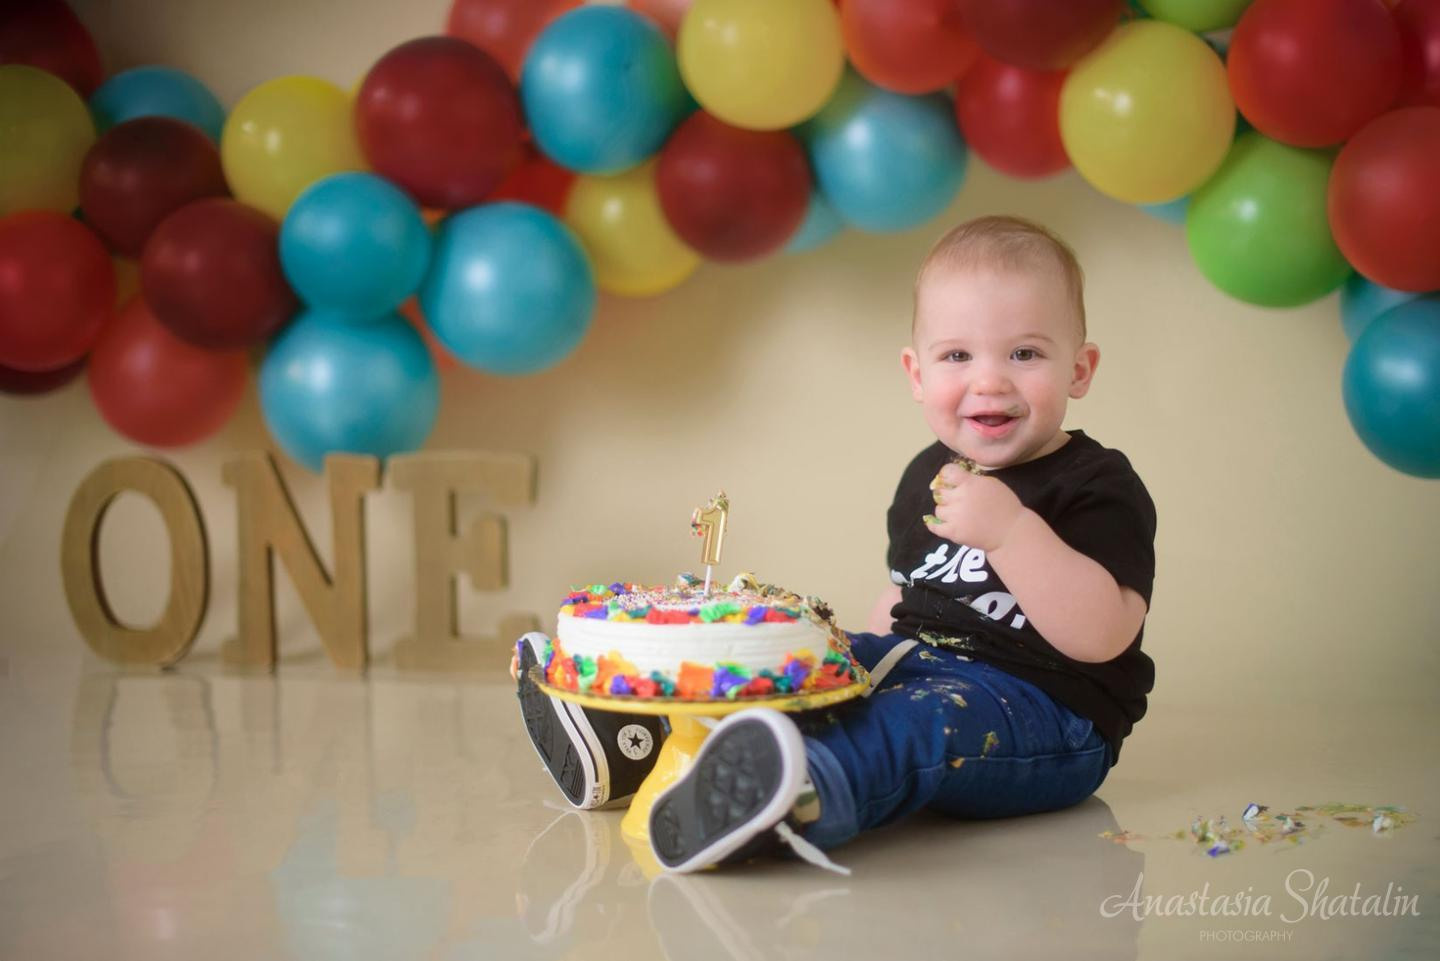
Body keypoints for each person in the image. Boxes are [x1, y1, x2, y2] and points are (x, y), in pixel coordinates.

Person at [516, 214, 1157, 875]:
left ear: (1080, 369)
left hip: (1045, 715)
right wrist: (838, 658)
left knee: (912, 723)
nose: (989, 380)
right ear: (916, 372)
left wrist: (1012, 531)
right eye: (958, 355)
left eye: (1025, 353)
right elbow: (914, 593)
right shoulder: (928, 475)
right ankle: (641, 741)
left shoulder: (1096, 483)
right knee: (800, 665)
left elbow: (1103, 633)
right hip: (924, 662)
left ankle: (788, 795)